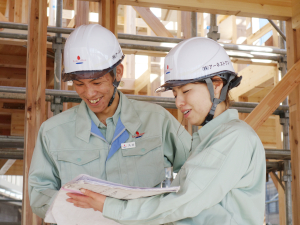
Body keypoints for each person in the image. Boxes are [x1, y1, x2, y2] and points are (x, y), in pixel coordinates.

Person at [67, 37, 266, 225]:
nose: (179, 102)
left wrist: (110, 206)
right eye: (175, 93)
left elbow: (184, 201)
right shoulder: (209, 140)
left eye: (186, 91)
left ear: (216, 86)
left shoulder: (234, 138)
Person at [28, 24, 191, 219]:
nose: (89, 93)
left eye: (97, 82)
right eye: (79, 84)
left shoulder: (157, 120)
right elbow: (39, 194)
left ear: (118, 73)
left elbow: (195, 172)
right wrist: (72, 210)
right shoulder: (53, 132)